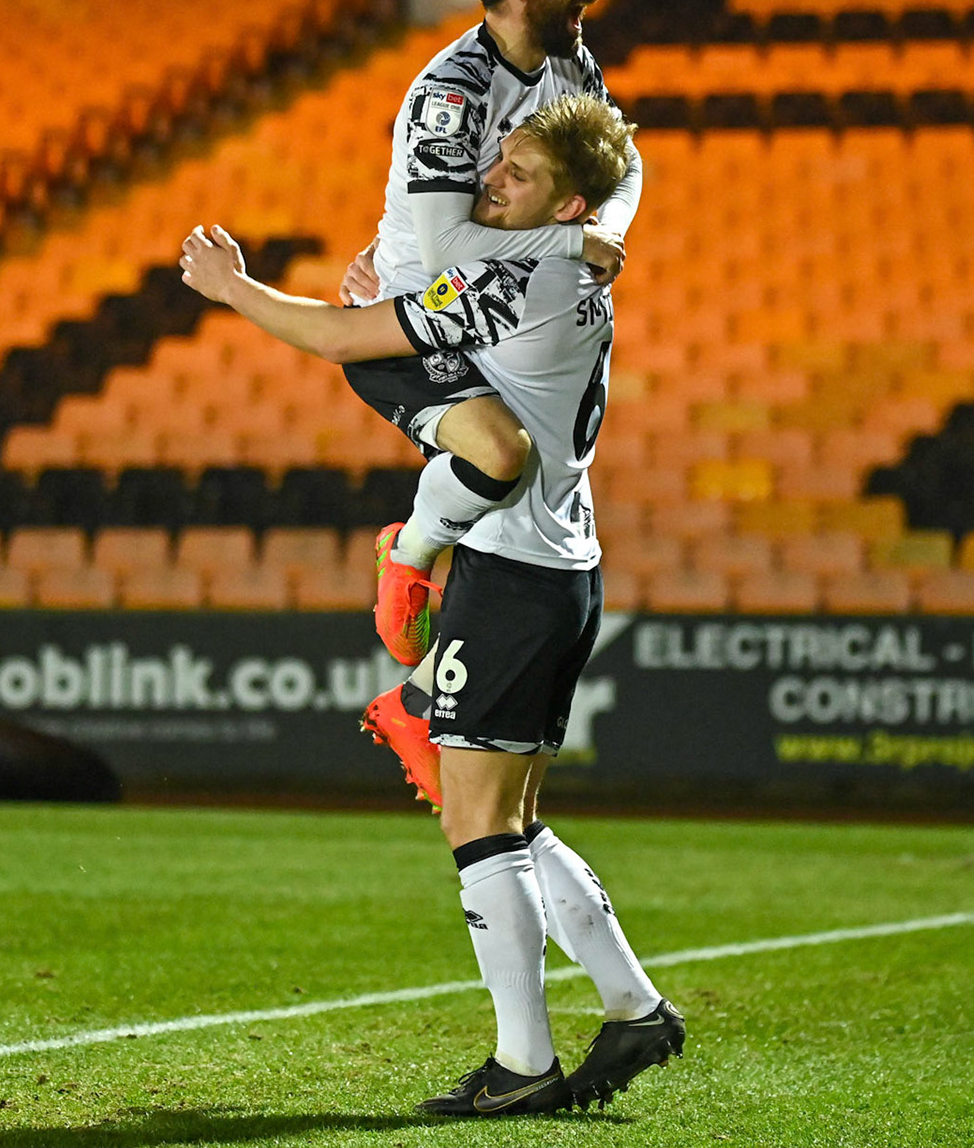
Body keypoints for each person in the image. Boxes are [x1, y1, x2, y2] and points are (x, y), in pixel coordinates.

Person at [181, 94, 682, 1116]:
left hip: (511, 577)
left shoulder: (522, 275)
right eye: (500, 160)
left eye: (519, 174)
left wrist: (233, 288)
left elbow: (343, 338)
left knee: (477, 822)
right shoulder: (576, 261)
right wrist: (404, 281)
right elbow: (608, 187)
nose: (491, 179)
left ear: (568, 205)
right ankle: (634, 1008)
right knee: (516, 819)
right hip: (561, 566)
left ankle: (523, 1063)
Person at [337, 0, 641, 669]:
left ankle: (427, 700)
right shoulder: (455, 90)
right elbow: (447, 251)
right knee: (503, 458)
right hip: (411, 325)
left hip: (491, 315)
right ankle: (408, 562)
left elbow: (625, 159)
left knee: (525, 498)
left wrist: (610, 230)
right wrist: (574, 239)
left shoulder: (569, 64)